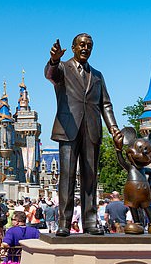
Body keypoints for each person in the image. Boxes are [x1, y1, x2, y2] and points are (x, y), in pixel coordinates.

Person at [45, 34, 121, 236]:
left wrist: (113, 128)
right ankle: (64, 222)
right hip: (68, 128)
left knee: (90, 178)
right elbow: (51, 75)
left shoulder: (97, 75)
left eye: (89, 45)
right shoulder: (63, 68)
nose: (85, 48)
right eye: (81, 45)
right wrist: (54, 60)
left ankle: (90, 221)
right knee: (67, 177)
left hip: (92, 130)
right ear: (73, 47)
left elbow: (106, 104)